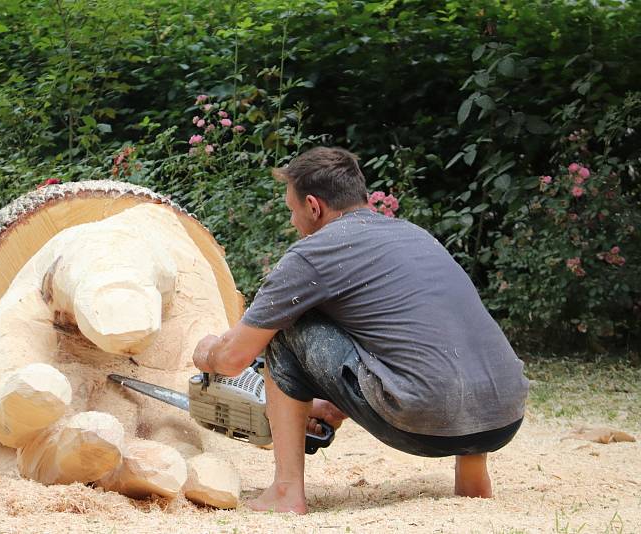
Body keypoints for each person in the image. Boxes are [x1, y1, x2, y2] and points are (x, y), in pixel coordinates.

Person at [191, 146, 529, 514]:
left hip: (424, 424)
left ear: (314, 207)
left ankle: (287, 491)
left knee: (286, 325)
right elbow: (410, 342)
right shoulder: (415, 236)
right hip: (503, 418)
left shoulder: (312, 254)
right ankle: (473, 479)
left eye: (292, 210)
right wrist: (338, 404)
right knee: (442, 336)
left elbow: (235, 358)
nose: (293, 221)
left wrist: (207, 352)